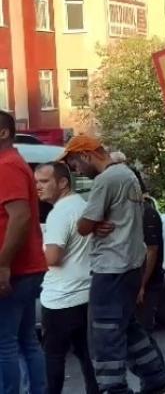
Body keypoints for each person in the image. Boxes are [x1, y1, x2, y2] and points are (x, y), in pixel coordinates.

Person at [61, 135, 165, 394]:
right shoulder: (126, 174)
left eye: (74, 164)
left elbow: (82, 227)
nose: (75, 171)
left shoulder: (106, 180)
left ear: (86, 155)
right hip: (130, 265)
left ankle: (114, 388)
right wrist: (94, 223)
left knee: (104, 335)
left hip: (111, 268)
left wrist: (90, 223)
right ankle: (155, 375)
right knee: (127, 326)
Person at [35, 162, 100, 394]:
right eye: (36, 182)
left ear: (62, 183)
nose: (38, 187)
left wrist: (32, 254)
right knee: (86, 354)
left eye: (44, 182)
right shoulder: (82, 205)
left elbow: (53, 257)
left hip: (60, 299)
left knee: (53, 357)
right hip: (86, 294)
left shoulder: (59, 214)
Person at [0, 110, 48, 394]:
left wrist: (3, 265)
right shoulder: (14, 162)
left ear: (3, 133)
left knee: (4, 344)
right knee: (25, 340)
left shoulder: (6, 165)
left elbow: (20, 216)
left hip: (15, 271)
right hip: (25, 269)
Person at [110, 152, 164, 331]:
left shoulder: (146, 213)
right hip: (130, 281)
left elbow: (152, 250)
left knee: (143, 331)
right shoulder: (127, 211)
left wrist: (141, 286)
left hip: (146, 283)